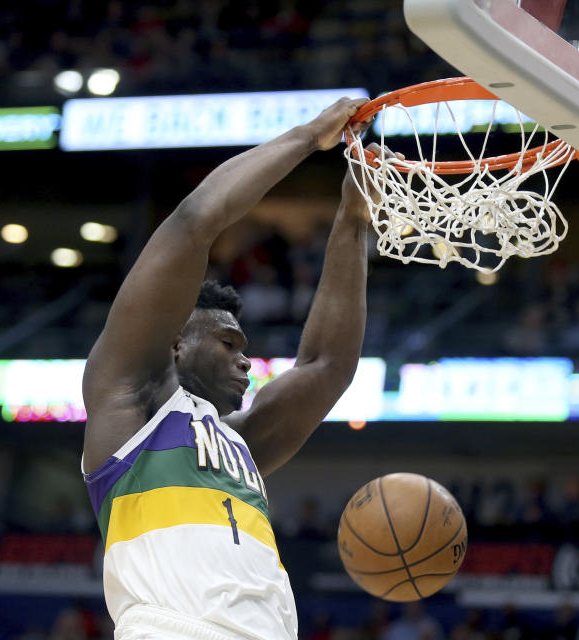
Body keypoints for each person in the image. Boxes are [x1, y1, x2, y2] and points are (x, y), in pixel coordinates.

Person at [81, 97, 374, 640]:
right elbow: (194, 221)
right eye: (228, 342)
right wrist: (309, 137)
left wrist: (353, 220)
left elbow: (327, 365)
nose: (245, 358)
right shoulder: (131, 402)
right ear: (173, 344)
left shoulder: (240, 442)